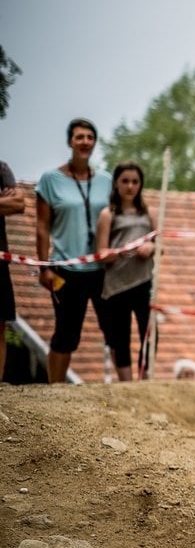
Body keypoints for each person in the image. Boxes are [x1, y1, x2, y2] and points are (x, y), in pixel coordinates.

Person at [35, 118, 114, 383]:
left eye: (90, 137)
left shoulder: (106, 180)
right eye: (80, 137)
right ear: (70, 141)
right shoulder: (50, 180)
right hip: (65, 266)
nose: (85, 142)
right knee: (66, 333)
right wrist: (43, 266)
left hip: (102, 268)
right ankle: (54, 389)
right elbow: (42, 226)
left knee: (114, 329)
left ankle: (126, 389)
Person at [94, 162, 156, 381]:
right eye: (125, 181)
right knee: (120, 337)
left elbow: (161, 243)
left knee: (148, 333)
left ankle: (145, 377)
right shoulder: (108, 214)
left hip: (144, 281)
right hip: (116, 284)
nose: (130, 186)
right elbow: (101, 251)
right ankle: (126, 385)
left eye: (135, 181)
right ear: (116, 184)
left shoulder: (148, 213)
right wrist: (117, 253)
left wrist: (152, 247)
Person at [0, 159, 24, 378]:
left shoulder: (1, 167)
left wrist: (10, 202)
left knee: (0, 326)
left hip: (0, 260)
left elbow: (18, 204)